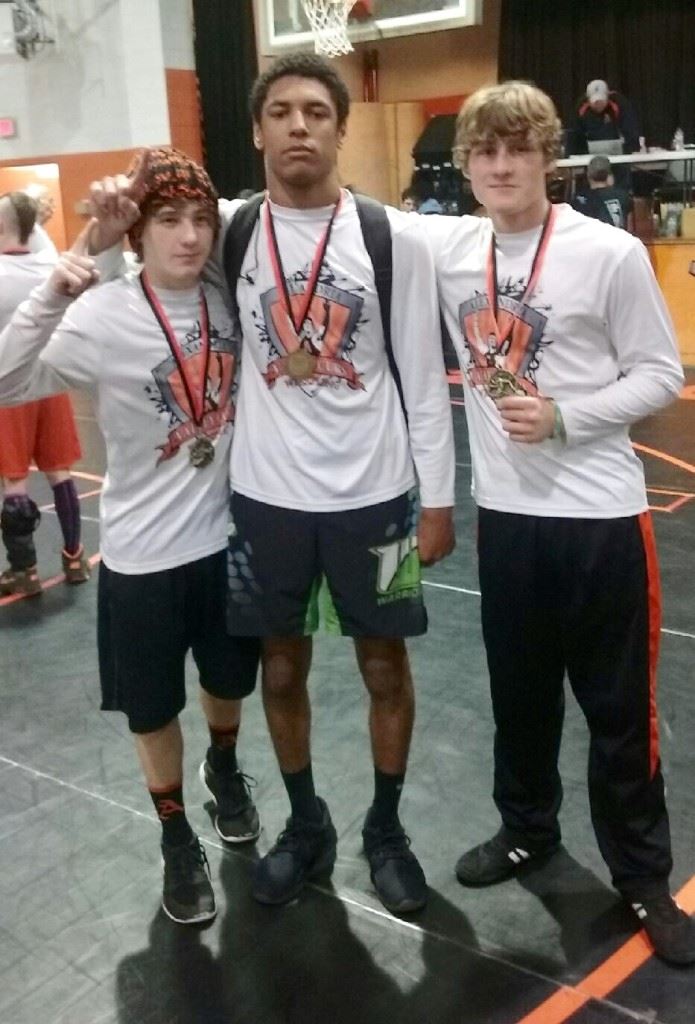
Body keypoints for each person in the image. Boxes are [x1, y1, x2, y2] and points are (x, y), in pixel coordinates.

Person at [86, 58, 455, 917]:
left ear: (339, 129)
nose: (299, 126)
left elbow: (424, 381)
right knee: (279, 669)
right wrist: (104, 213)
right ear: (256, 132)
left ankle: (388, 830)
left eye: (317, 112)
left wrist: (436, 500)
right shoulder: (227, 227)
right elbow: (135, 233)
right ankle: (305, 822)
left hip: (381, 498)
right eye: (281, 112)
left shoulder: (389, 237)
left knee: (384, 665)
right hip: (263, 502)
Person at [423, 80, 695, 965]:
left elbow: (659, 375)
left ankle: (643, 877)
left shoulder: (607, 253)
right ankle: (526, 831)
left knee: (618, 710)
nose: (500, 166)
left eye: (517, 149)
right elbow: (332, 221)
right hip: (507, 522)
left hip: (596, 519)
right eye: (484, 152)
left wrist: (568, 416)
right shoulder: (450, 250)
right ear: (464, 165)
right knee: (520, 699)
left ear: (549, 157)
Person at [0, 149, 261, 925]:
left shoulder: (225, 293)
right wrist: (64, 272)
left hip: (226, 543)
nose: (187, 237)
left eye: (199, 221)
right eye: (168, 221)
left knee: (227, 685)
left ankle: (223, 766)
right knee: (151, 709)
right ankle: (176, 835)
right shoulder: (103, 314)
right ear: (139, 234)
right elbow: (8, 381)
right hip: (144, 556)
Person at [0, 191, 90, 596]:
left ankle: (25, 570)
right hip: (51, 381)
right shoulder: (50, 261)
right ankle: (75, 557)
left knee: (14, 482)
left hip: (10, 385)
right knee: (59, 472)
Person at [571, 79, 640, 156]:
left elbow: (631, 130)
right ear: (588, 100)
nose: (599, 105)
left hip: (620, 153)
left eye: (602, 101)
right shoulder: (581, 107)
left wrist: (631, 151)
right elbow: (575, 135)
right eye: (595, 102)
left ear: (607, 96)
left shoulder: (620, 103)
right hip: (589, 155)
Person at [572, 154, 634, 231]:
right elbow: (630, 230)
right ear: (609, 176)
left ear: (588, 175)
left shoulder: (579, 200)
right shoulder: (623, 196)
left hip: (591, 242)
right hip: (619, 241)